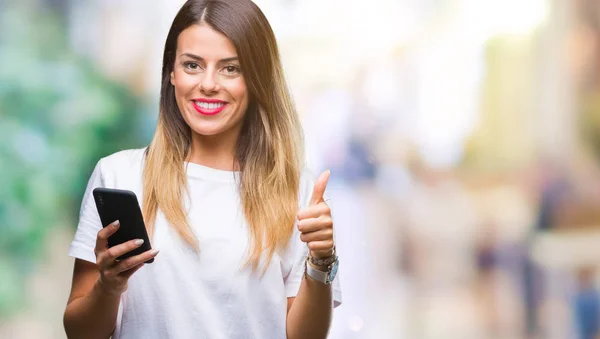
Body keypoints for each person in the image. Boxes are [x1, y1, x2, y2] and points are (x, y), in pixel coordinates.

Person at [62, 1, 342, 338]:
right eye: (192, 65)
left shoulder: (296, 191)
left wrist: (321, 258)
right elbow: (80, 332)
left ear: (256, 78)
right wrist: (108, 287)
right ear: (172, 73)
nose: (208, 84)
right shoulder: (119, 175)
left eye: (230, 68)